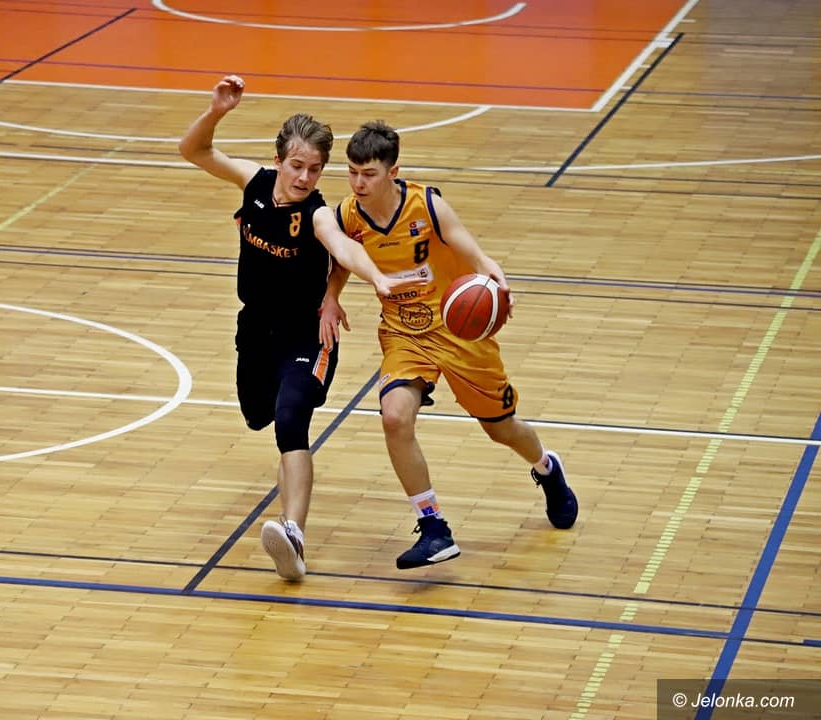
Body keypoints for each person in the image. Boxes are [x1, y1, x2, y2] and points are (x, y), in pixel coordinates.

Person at [179, 77, 416, 582]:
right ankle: (290, 519)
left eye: (315, 169)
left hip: (307, 336)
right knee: (258, 416)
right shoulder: (253, 182)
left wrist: (376, 277)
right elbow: (193, 150)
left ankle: (294, 536)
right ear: (279, 160)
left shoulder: (318, 214)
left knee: (291, 421)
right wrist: (217, 111)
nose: (305, 177)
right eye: (297, 166)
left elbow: (344, 247)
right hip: (255, 331)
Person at [323, 120, 578, 570]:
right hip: (404, 333)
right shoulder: (348, 214)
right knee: (394, 417)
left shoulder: (427, 205)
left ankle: (546, 468)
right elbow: (344, 259)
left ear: (393, 172)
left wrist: (492, 275)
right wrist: (330, 297)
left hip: (459, 331)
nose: (358, 183)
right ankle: (434, 527)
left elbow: (472, 250)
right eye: (352, 172)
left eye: (369, 174)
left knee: (502, 429)